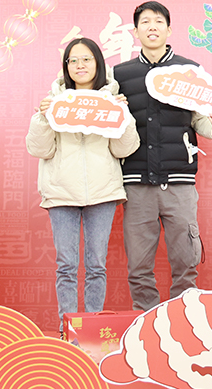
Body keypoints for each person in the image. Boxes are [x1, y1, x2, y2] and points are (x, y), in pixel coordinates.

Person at [114, 0, 212, 312]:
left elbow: (199, 119)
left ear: (169, 29)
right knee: (138, 266)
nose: (151, 27)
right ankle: (145, 323)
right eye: (145, 22)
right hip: (136, 182)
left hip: (179, 181)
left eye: (158, 21)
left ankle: (182, 321)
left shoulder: (189, 71)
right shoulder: (120, 74)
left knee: (186, 260)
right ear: (136, 31)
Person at [26, 37, 139, 334]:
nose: (80, 65)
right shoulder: (55, 102)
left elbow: (124, 149)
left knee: (96, 265)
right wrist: (42, 118)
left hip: (102, 193)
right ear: (66, 67)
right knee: (66, 265)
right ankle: (68, 329)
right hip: (61, 192)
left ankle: (91, 331)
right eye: (73, 60)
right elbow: (40, 149)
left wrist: (124, 117)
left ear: (98, 63)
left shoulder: (112, 102)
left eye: (86, 59)